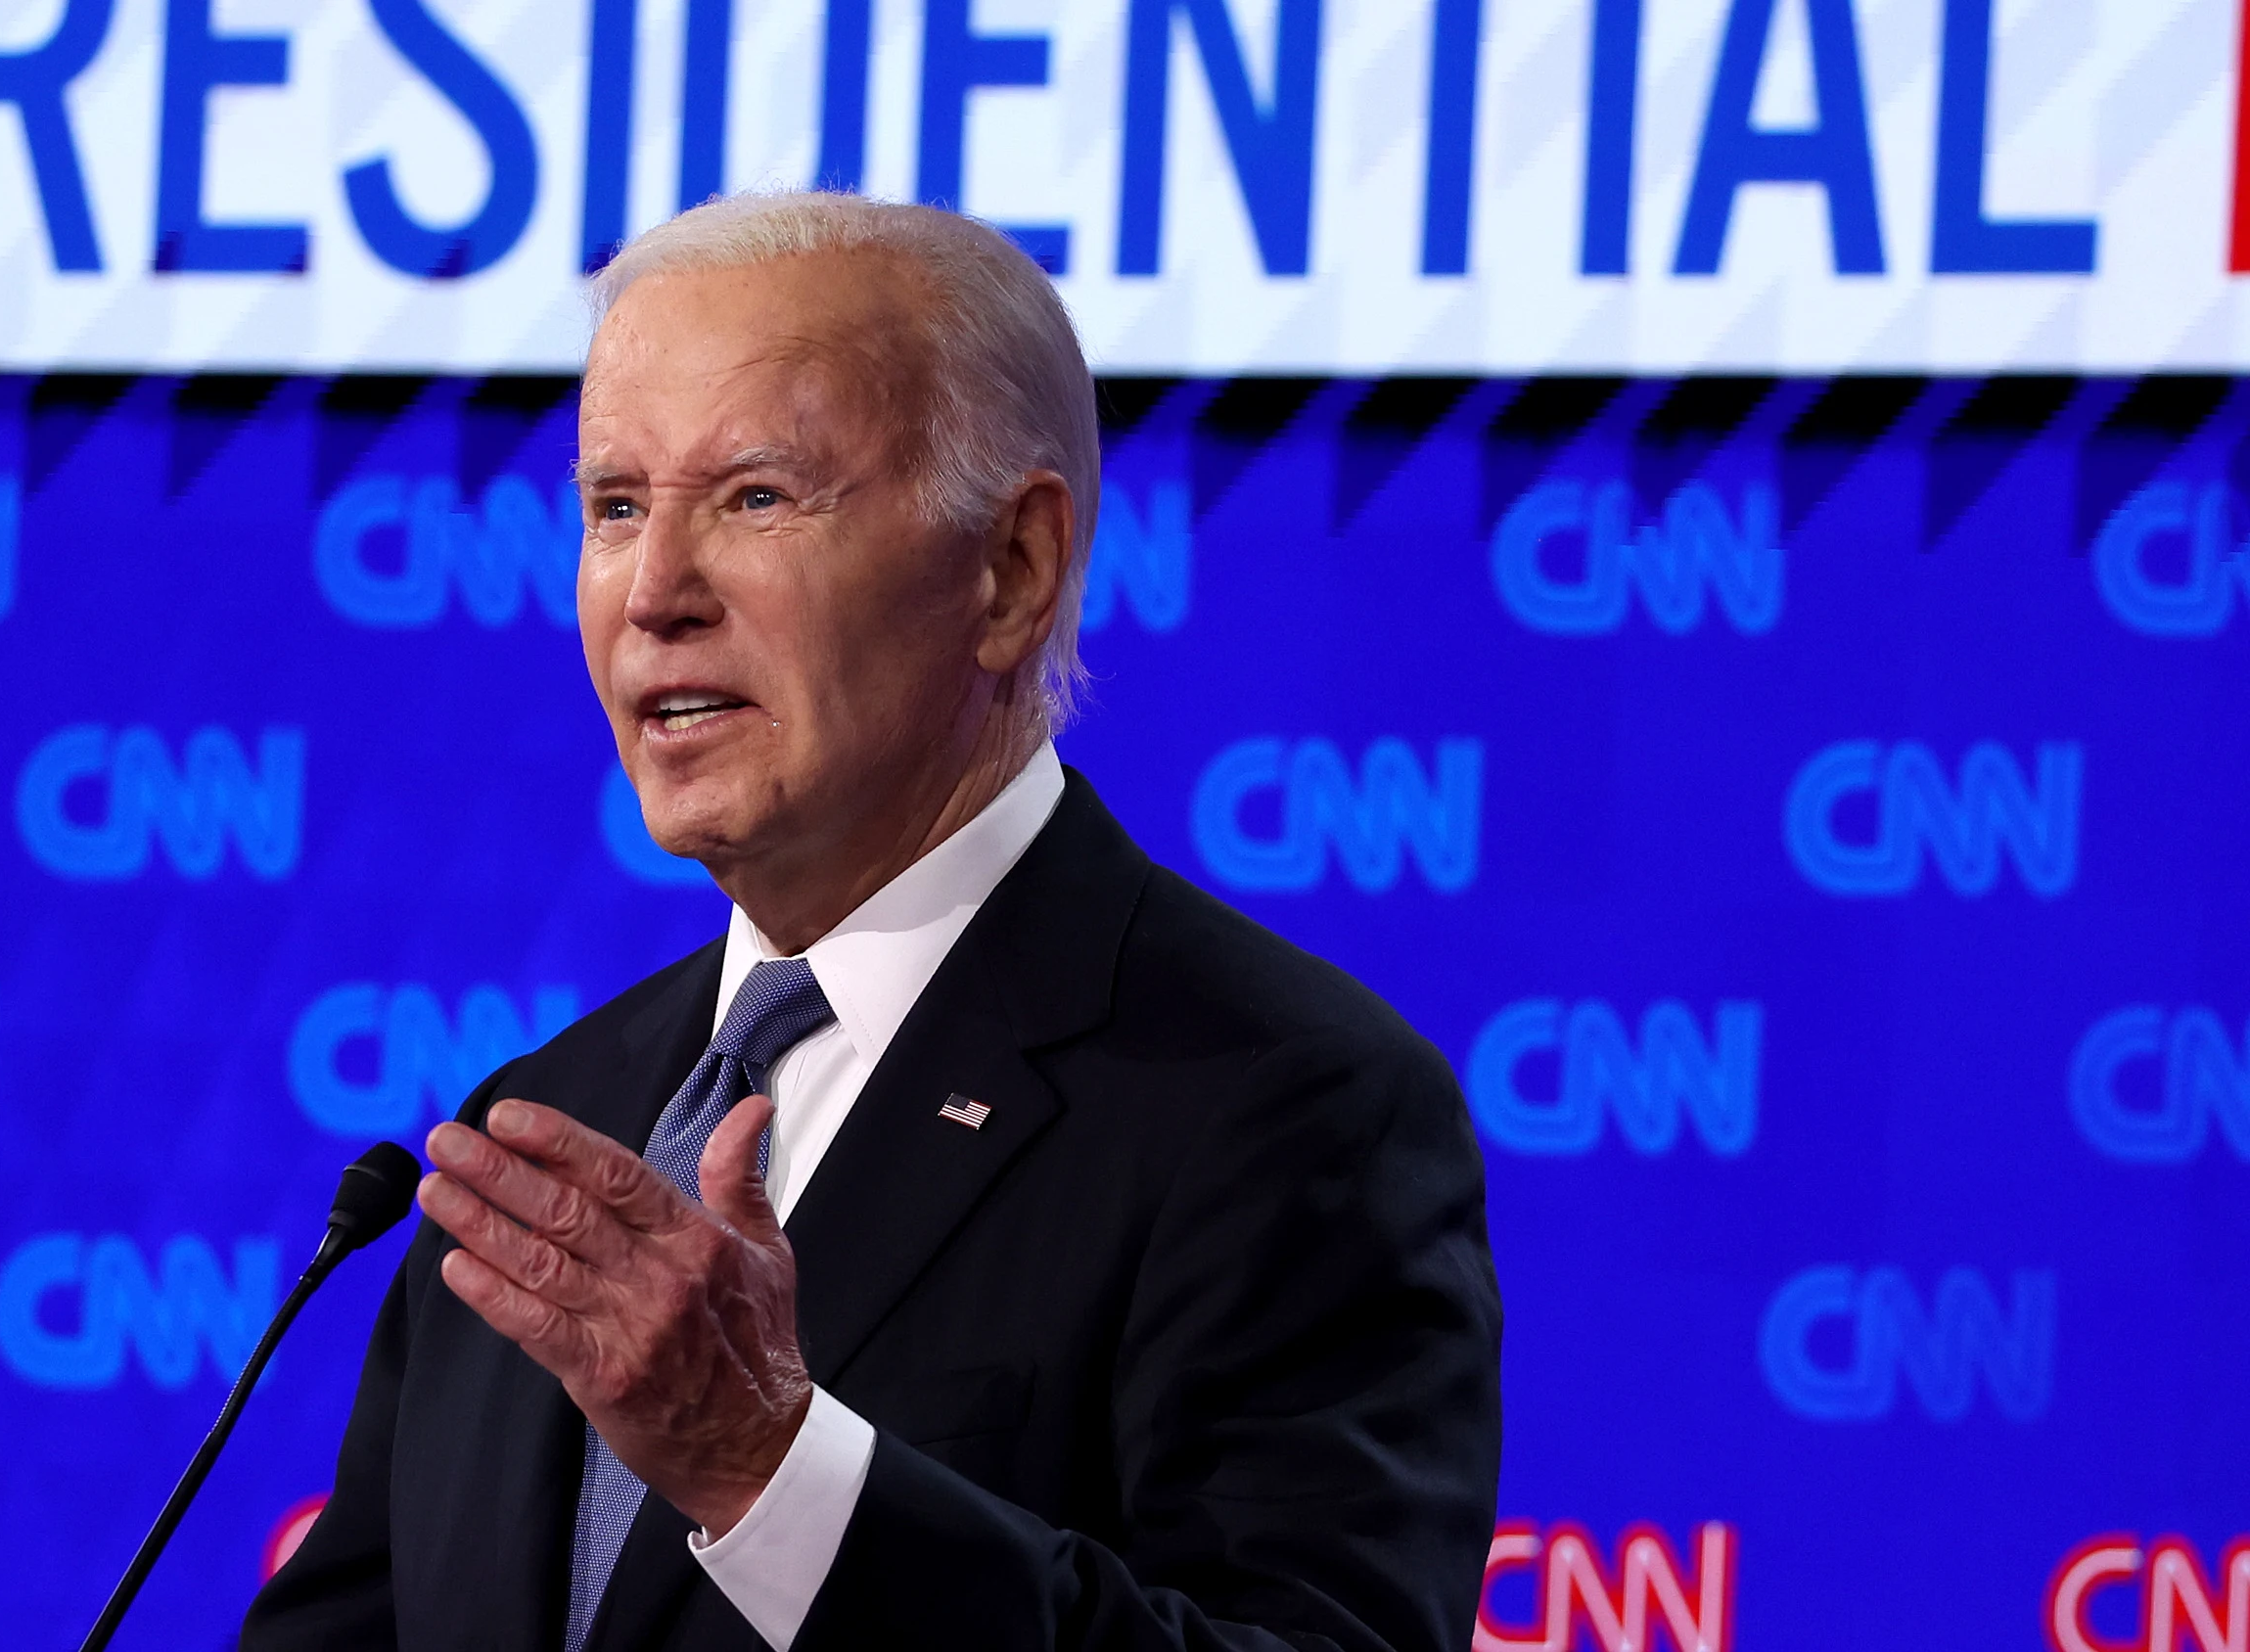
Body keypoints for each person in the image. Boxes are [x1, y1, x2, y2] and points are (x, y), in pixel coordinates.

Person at [243, 192, 1500, 1652]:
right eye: (615, 506)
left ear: (1012, 570)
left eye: (758, 497)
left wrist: (770, 1475)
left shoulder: (1282, 1105)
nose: (655, 593)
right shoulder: (548, 1131)